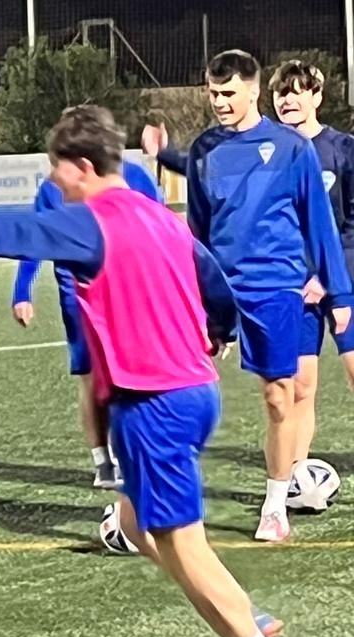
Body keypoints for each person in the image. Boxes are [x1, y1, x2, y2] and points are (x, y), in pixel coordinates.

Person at [0, 105, 296, 637]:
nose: (53, 183)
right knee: (130, 523)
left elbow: (15, 233)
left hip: (154, 405)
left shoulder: (91, 222)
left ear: (80, 167)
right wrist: (220, 330)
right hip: (196, 392)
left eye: (56, 171)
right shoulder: (163, 219)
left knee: (182, 545)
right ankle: (232, 602)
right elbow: (215, 285)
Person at [142, 50, 353, 542]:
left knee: (280, 398)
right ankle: (152, 499)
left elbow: (319, 225)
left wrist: (338, 291)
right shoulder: (204, 150)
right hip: (216, 290)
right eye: (213, 93)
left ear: (253, 92)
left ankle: (275, 504)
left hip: (275, 289)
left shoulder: (290, 149)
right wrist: (194, 297)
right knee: (169, 392)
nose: (219, 102)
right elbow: (196, 231)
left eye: (228, 93)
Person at [11, 160, 162, 490]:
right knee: (93, 380)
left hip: (130, 291)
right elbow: (36, 236)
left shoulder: (134, 176)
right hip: (78, 294)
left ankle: (131, 457)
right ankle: (102, 461)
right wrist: (22, 291)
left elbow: (161, 226)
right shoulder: (54, 187)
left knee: (133, 376)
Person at [268, 59, 354, 502]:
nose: (289, 100)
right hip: (292, 292)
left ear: (317, 97)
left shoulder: (343, 149)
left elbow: (352, 225)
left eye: (298, 91)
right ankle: (294, 482)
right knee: (300, 388)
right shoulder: (268, 154)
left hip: (341, 284)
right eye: (282, 93)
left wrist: (329, 276)